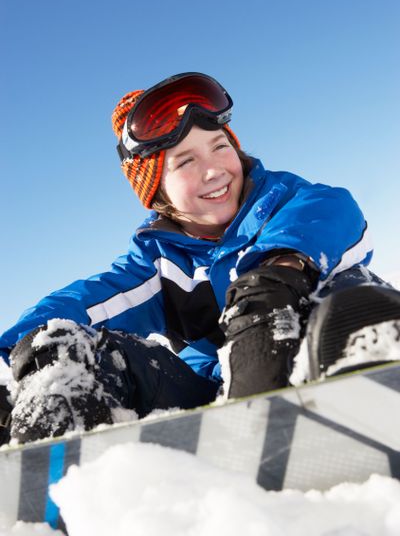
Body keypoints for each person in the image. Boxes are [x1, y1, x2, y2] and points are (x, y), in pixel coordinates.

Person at [1, 72, 399, 446]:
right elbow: (82, 303)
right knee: (61, 347)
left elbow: (328, 213)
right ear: (158, 191)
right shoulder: (158, 263)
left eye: (220, 146)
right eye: (186, 161)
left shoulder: (293, 203)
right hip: (210, 410)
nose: (213, 171)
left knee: (347, 300)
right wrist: (11, 359)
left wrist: (278, 273)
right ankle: (46, 482)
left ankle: (370, 398)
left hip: (307, 377)